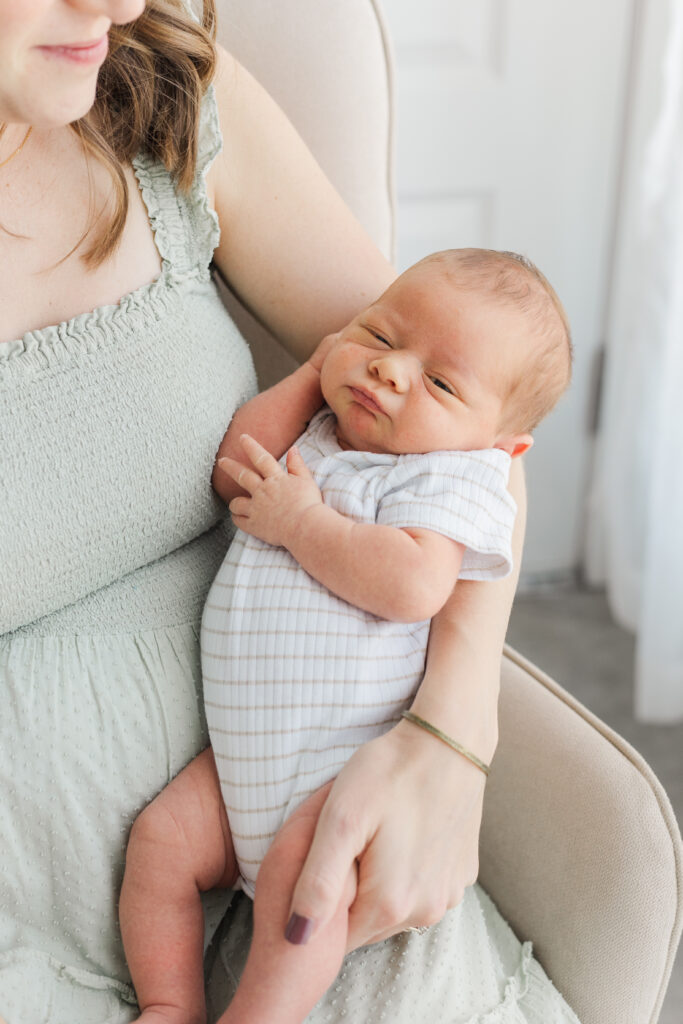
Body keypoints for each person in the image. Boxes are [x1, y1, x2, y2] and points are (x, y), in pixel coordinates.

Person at [0, 0, 565, 1021]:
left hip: (323, 816)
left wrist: (451, 738)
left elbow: (472, 445)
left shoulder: (161, 86)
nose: (117, 5)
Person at [119, 248, 578, 1024]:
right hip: (238, 764)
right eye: (377, 334)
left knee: (303, 903)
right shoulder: (320, 431)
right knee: (160, 842)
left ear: (501, 446)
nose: (389, 369)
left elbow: (414, 585)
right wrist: (314, 373)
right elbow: (233, 472)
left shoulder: (451, 477)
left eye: (439, 384)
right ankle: (170, 1003)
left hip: (333, 776)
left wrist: (302, 524)